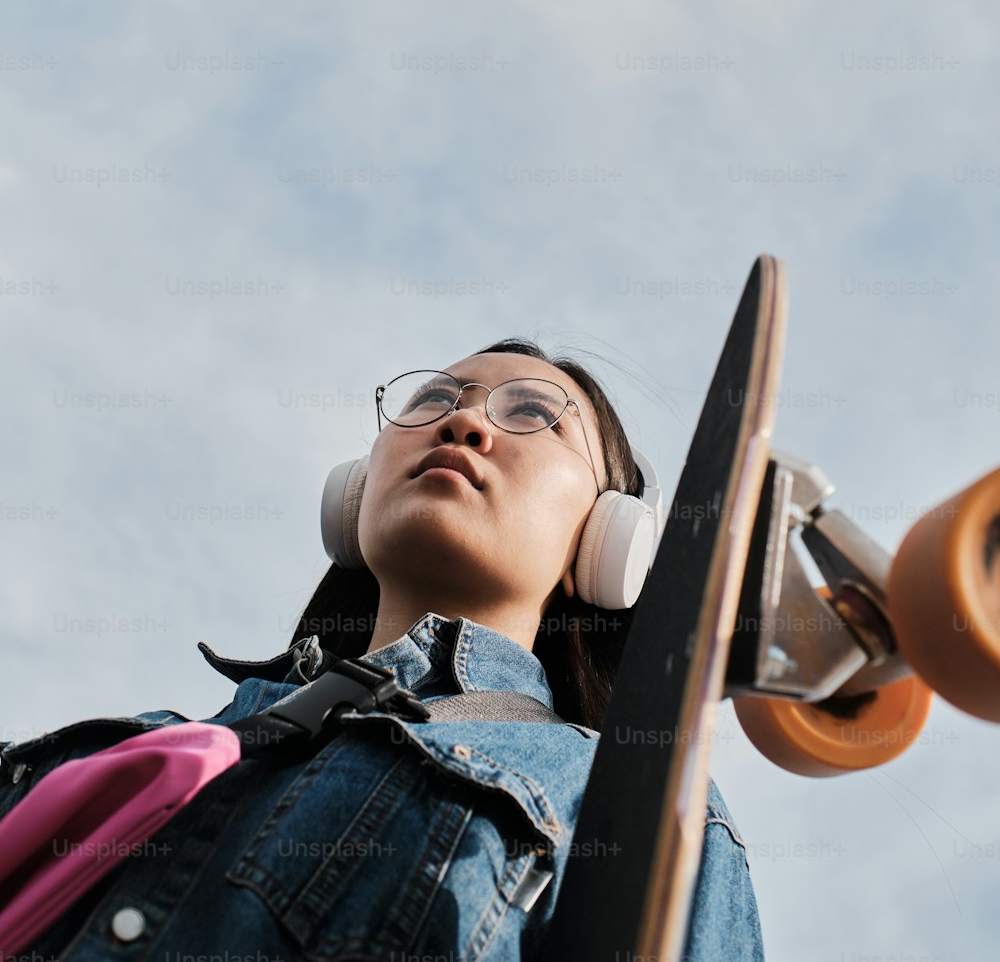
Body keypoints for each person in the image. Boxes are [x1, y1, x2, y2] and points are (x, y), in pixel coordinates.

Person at [0, 338, 765, 960]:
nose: (463, 425)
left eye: (535, 415)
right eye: (435, 399)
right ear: (358, 489)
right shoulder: (124, 752)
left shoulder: (636, 804)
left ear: (607, 539)